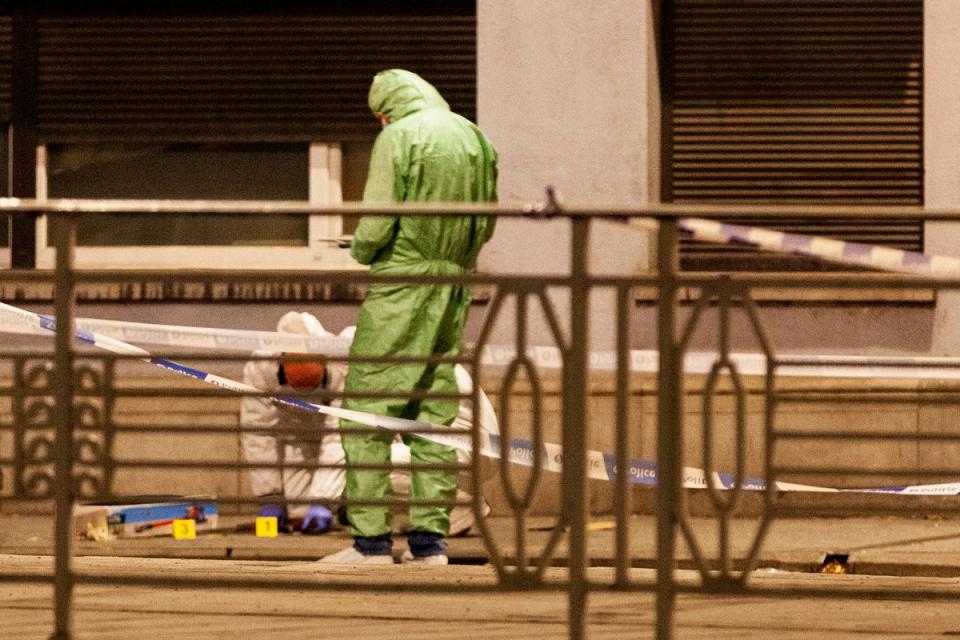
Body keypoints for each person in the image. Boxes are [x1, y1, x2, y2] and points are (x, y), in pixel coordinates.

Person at [322, 69, 498, 565]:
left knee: (364, 412)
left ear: (385, 110)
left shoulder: (399, 136)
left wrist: (359, 248)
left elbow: (378, 220)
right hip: (453, 285)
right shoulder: (472, 135)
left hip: (401, 285)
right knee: (434, 415)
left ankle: (371, 543)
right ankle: (429, 544)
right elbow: (485, 220)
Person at [240, 311, 497, 537]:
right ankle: (430, 517)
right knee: (306, 509)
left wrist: (324, 499)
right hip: (436, 442)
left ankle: (458, 509)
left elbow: (340, 439)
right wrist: (270, 495)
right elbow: (257, 431)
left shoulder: (370, 365)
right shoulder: (262, 368)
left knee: (362, 467)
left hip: (464, 445)